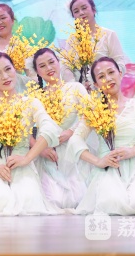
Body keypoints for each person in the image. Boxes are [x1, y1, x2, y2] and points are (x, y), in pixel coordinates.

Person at [67, 57, 135, 215]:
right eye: (101, 76)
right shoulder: (95, 111)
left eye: (111, 72)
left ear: (120, 74)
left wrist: (133, 151)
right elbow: (75, 140)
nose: (108, 78)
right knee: (112, 203)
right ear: (96, 84)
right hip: (108, 169)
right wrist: (98, 161)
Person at [0, 53, 61, 216]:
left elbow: (50, 129)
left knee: (27, 201)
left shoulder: (30, 102)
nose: (5, 76)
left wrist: (27, 158)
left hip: (22, 168)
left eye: (8, 69)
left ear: (15, 70)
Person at [31, 48, 92, 209]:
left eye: (51, 62)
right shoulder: (36, 97)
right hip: (47, 154)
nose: (49, 68)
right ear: (37, 71)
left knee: (78, 199)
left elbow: (90, 115)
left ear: (58, 63)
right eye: (42, 66)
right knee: (54, 201)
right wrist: (40, 149)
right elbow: (23, 131)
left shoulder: (75, 88)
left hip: (73, 150)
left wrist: (71, 132)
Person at [61, 0, 129, 88]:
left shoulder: (109, 35)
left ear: (93, 10)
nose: (81, 13)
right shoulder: (72, 41)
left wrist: (104, 82)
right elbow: (65, 67)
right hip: (81, 92)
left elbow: (120, 64)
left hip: (106, 89)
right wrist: (77, 86)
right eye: (76, 11)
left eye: (84, 8)